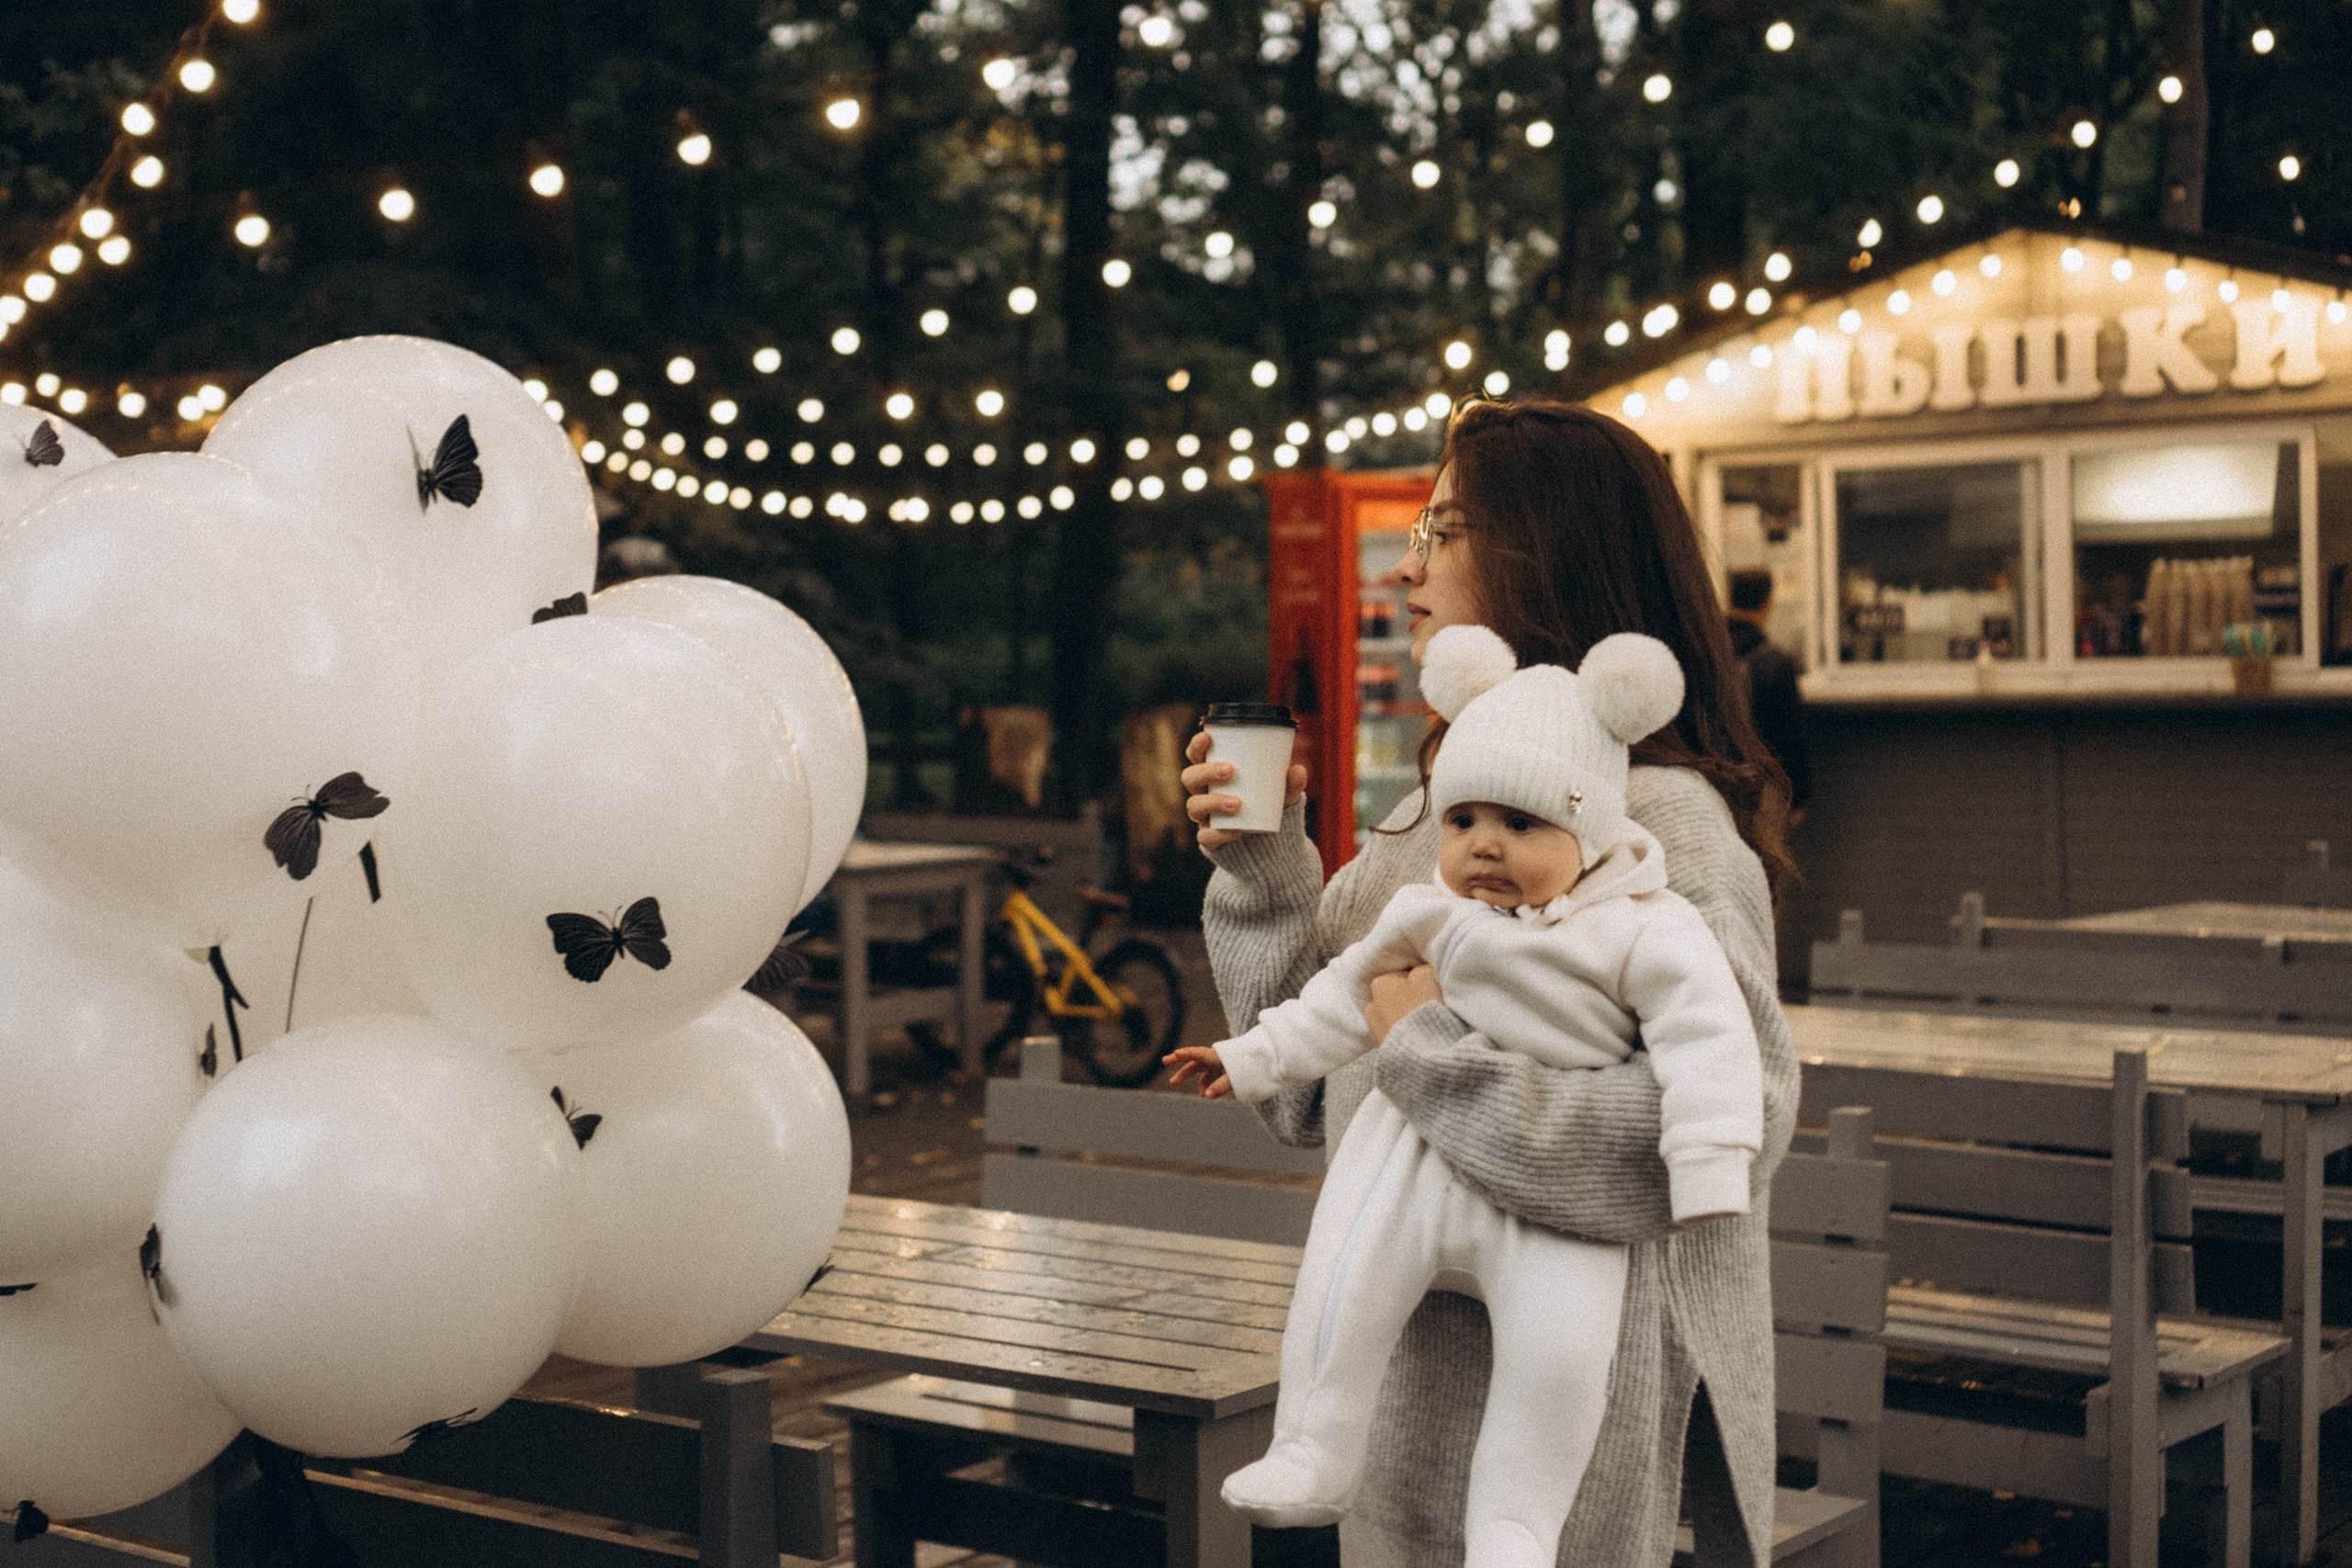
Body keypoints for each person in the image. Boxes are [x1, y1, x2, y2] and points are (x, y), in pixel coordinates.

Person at [1182, 397, 1797, 1567]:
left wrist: (1426, 1055)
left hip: (1569, 1424)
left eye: (1444, 529)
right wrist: (1265, 877)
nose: (1407, 563)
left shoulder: (1662, 826)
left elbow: (1729, 1132)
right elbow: (1301, 1098)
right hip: (1410, 1395)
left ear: (1547, 552)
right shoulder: (1436, 822)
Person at [1724, 569, 1809, 820]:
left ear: (1730, 598)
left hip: (1716, 783)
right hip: (1762, 787)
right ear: (1768, 602)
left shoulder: (1708, 654)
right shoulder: (1775, 661)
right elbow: (1790, 736)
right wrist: (1798, 797)